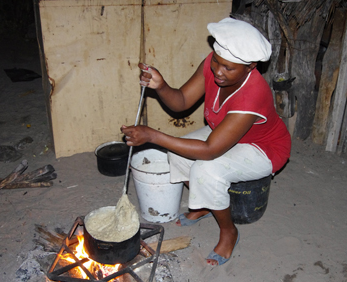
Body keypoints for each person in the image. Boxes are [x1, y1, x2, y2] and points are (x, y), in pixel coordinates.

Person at [121, 17, 291, 266]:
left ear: (250, 67)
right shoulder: (213, 65)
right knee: (178, 150)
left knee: (205, 169)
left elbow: (210, 151)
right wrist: (161, 85)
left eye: (228, 68)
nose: (218, 72)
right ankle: (205, 203)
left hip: (263, 147)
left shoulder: (253, 95)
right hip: (225, 134)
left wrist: (153, 136)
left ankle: (229, 231)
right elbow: (180, 101)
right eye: (216, 62)